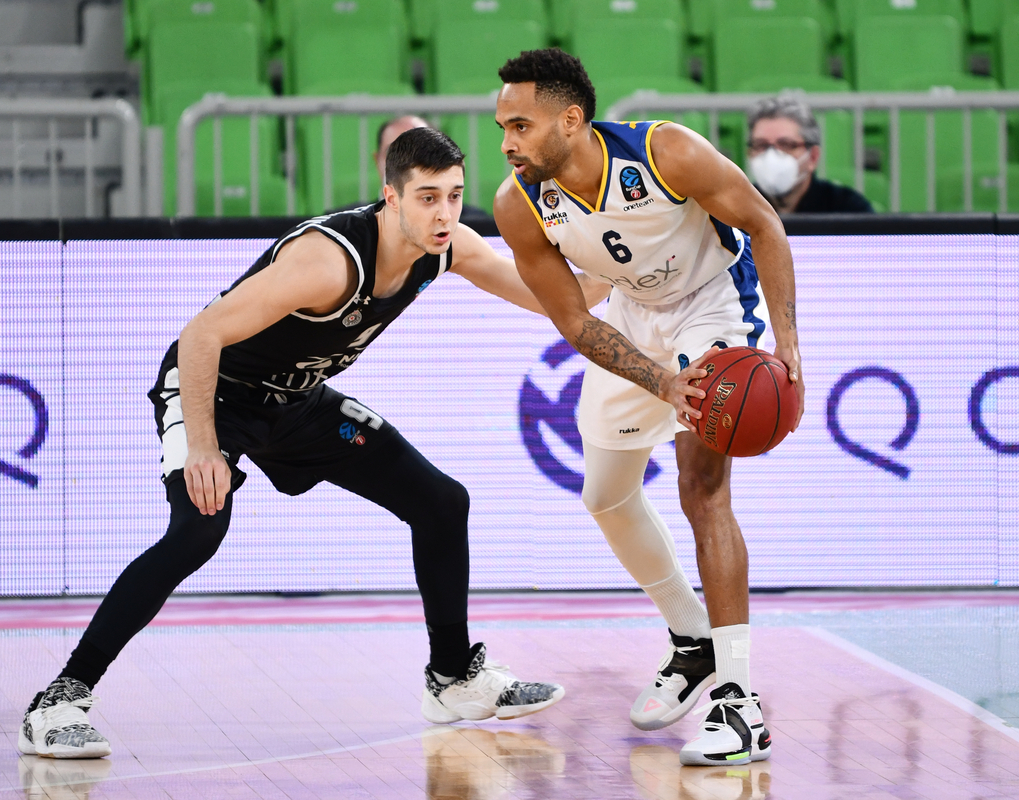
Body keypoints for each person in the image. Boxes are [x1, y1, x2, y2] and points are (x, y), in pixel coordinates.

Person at [18, 128, 607, 759]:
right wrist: (203, 447)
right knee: (197, 531)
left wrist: (624, 263)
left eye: (455, 197)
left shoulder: (448, 247)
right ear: (392, 197)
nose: (444, 213)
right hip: (218, 395)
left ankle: (454, 678)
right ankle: (58, 700)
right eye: (428, 197)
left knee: (440, 502)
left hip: (298, 401)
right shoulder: (328, 261)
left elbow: (551, 298)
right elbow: (199, 337)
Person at [493, 49, 805, 767]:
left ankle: (740, 705)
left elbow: (765, 224)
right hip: (634, 316)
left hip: (714, 303)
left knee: (702, 489)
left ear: (571, 120)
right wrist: (660, 379)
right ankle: (691, 639)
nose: (507, 142)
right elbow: (574, 322)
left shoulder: (665, 151)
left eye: (520, 124)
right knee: (605, 493)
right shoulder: (518, 204)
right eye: (502, 125)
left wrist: (788, 346)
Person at [331, 115, 494, 224]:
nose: (406, 162)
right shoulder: (345, 225)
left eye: (420, 151)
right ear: (377, 160)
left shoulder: (475, 224)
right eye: (392, 152)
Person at [746, 96, 874, 215]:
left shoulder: (848, 210)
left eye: (786, 145)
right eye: (761, 145)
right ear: (749, 154)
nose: (771, 156)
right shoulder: (735, 209)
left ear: (813, 157)